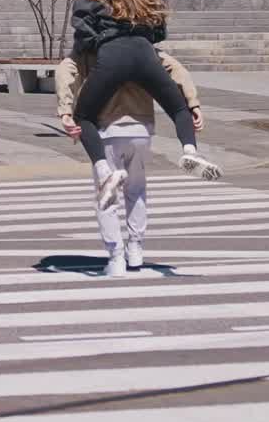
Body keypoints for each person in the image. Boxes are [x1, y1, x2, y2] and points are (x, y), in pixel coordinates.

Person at [68, 0, 221, 209]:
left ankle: (106, 172)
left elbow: (83, 36)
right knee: (178, 108)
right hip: (144, 53)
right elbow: (160, 31)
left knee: (84, 117)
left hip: (112, 56)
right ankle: (189, 150)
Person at [56, 40, 203, 276]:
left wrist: (65, 109)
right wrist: (192, 103)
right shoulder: (141, 45)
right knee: (136, 190)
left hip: (105, 130)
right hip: (140, 128)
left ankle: (115, 258)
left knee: (107, 195)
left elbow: (65, 70)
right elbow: (177, 70)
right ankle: (135, 249)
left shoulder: (91, 46)